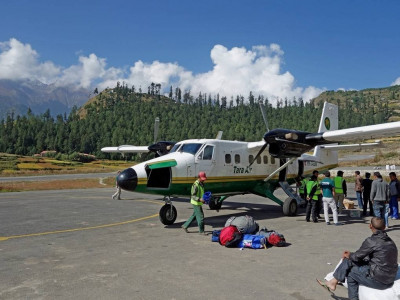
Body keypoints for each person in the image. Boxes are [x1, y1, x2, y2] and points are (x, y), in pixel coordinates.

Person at [318, 217, 398, 300]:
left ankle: (336, 284)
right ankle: (333, 281)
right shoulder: (390, 241)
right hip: (389, 278)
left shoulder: (371, 241)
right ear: (384, 227)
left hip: (380, 280)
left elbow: (356, 257)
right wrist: (351, 255)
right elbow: (367, 256)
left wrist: (350, 255)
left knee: (351, 274)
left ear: (370, 226)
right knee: (349, 259)